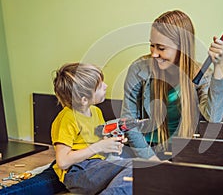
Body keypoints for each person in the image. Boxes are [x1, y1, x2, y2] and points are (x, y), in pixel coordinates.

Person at [0, 63, 132, 195]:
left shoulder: (95, 111)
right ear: (84, 99)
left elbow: (98, 139)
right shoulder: (67, 118)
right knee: (134, 169)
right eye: (100, 85)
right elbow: (63, 162)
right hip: (78, 170)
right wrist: (99, 147)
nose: (106, 86)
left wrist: (111, 143)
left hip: (92, 166)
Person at [121, 10, 223, 160]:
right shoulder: (139, 69)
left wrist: (219, 67)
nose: (154, 54)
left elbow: (213, 117)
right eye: (152, 45)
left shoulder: (201, 75)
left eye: (161, 48)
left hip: (183, 153)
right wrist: (151, 160)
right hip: (144, 152)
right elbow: (129, 122)